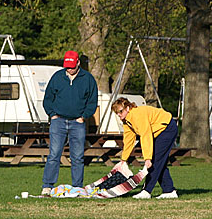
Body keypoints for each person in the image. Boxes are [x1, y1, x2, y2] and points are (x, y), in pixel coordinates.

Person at [41, 50, 98, 195]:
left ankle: (77, 187)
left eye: (72, 66)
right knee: (54, 154)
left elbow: (92, 102)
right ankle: (47, 186)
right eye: (67, 66)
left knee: (77, 156)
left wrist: (83, 117)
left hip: (77, 123)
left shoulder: (88, 79)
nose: (70, 69)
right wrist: (52, 115)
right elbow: (48, 98)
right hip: (58, 121)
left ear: (78, 63)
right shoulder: (57, 77)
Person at [110, 98, 179, 199]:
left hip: (167, 128)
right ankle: (169, 191)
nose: (119, 115)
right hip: (158, 132)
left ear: (128, 108)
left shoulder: (137, 115)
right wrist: (123, 160)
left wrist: (147, 158)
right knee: (159, 161)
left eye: (120, 111)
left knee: (154, 161)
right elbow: (129, 140)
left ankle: (147, 191)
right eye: (117, 113)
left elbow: (145, 135)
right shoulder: (127, 121)